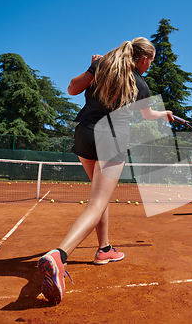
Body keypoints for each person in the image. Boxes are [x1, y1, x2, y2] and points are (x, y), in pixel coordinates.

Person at [37, 38, 173, 305]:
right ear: (143, 59)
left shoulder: (102, 66)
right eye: (150, 62)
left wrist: (92, 67)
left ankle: (105, 249)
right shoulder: (140, 83)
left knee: (99, 198)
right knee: (97, 202)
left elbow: (72, 89)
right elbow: (147, 116)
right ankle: (59, 256)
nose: (149, 67)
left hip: (85, 134)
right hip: (111, 137)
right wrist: (163, 113)